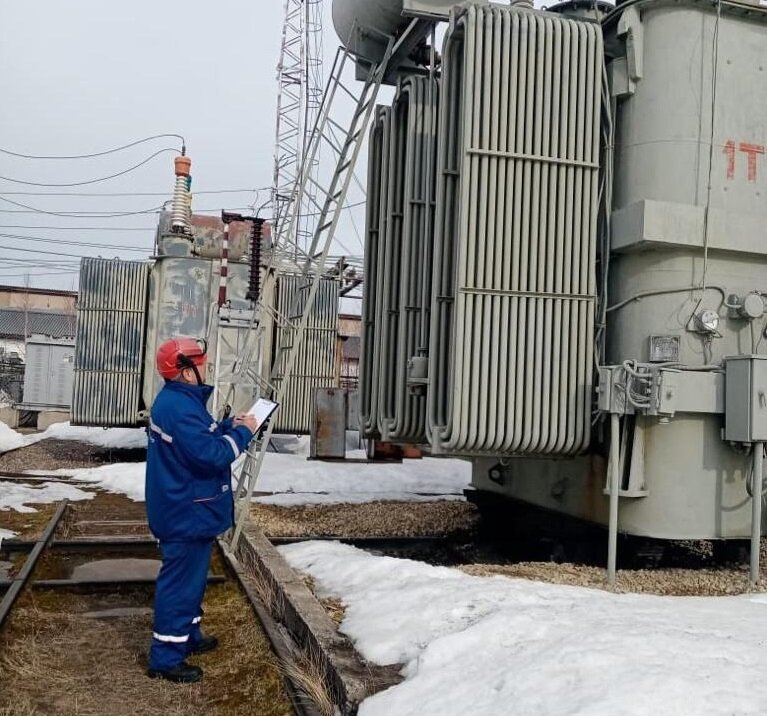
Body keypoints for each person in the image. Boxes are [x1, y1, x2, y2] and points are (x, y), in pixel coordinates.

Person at [145, 336, 259, 683]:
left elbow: (202, 439)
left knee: (190, 582)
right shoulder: (179, 409)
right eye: (200, 361)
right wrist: (244, 435)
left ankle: (188, 636)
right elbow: (212, 455)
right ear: (185, 372)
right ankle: (165, 658)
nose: (205, 365)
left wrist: (229, 426)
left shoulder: (179, 403)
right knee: (180, 584)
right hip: (186, 512)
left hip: (185, 507)